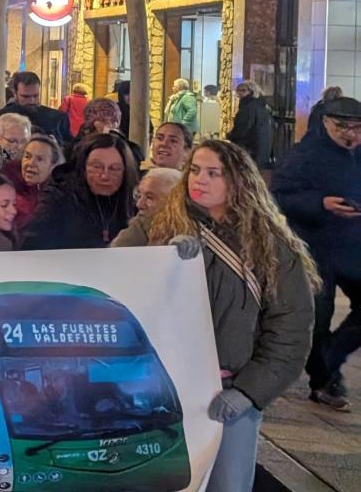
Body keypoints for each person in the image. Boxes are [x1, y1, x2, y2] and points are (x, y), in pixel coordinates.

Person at [112, 140, 315, 491]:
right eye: (194, 170)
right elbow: (112, 275)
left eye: (213, 173)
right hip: (155, 390)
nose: (199, 180)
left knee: (227, 484)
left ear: (238, 182)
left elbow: (290, 330)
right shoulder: (155, 225)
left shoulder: (272, 247)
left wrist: (249, 393)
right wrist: (158, 257)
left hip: (228, 391)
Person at [272, 95, 361, 411]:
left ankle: (331, 357)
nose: (351, 135)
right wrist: (320, 203)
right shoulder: (304, 156)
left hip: (353, 247)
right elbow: (279, 197)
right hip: (315, 247)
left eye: (357, 128)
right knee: (319, 316)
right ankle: (324, 380)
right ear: (325, 123)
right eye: (344, 127)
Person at [21, 132, 138, 249]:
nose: (104, 176)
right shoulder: (59, 196)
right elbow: (32, 241)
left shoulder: (135, 200)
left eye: (114, 169)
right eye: (96, 167)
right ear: (83, 167)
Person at [0, 71, 71, 154]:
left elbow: (69, 148)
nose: (32, 101)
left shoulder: (57, 119)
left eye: (35, 96)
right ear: (15, 94)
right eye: (25, 97)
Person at [2, 134, 60, 225]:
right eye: (27, 157)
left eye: (40, 159)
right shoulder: (6, 185)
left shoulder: (58, 198)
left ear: (52, 166)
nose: (31, 163)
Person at [227, 81, 273, 169]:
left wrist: (231, 136)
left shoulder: (248, 107)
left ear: (251, 91)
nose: (240, 93)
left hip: (249, 148)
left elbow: (242, 128)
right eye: (238, 90)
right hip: (261, 148)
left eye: (243, 90)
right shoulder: (261, 106)